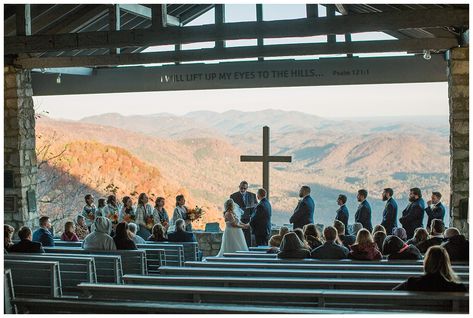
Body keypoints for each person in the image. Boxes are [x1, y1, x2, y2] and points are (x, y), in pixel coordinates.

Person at [393, 246, 466, 292]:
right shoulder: (458, 288)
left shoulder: (412, 282)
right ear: (446, 263)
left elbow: (393, 292)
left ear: (427, 262)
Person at [230, 181, 258, 247]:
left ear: (247, 188)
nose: (242, 190)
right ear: (239, 187)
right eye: (241, 188)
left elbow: (256, 208)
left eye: (244, 188)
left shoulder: (252, 195)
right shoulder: (233, 196)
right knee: (239, 237)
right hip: (238, 219)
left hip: (249, 219)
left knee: (248, 237)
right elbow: (231, 208)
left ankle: (248, 250)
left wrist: (252, 217)